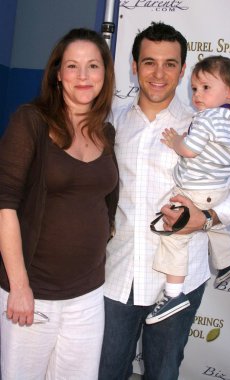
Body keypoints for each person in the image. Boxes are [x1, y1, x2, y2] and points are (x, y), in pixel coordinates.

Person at [98, 22, 230, 380]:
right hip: (119, 273)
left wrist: (205, 219)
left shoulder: (204, 125)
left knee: (163, 373)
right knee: (106, 371)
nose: (159, 73)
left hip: (178, 282)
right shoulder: (111, 122)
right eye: (149, 62)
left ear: (182, 69)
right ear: (134, 66)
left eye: (170, 64)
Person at [0, 27, 118, 379]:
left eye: (93, 66)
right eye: (72, 66)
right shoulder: (30, 121)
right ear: (57, 74)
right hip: (34, 292)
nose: (83, 76)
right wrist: (19, 286)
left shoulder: (106, 133)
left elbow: (104, 204)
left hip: (88, 295)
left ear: (105, 75)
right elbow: (4, 206)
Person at [146, 55, 230, 324]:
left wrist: (176, 140)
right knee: (215, 225)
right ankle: (227, 263)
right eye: (193, 89)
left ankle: (173, 294)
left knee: (174, 234)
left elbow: (189, 150)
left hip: (197, 191)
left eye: (205, 88)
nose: (197, 96)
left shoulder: (205, 119)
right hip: (218, 190)